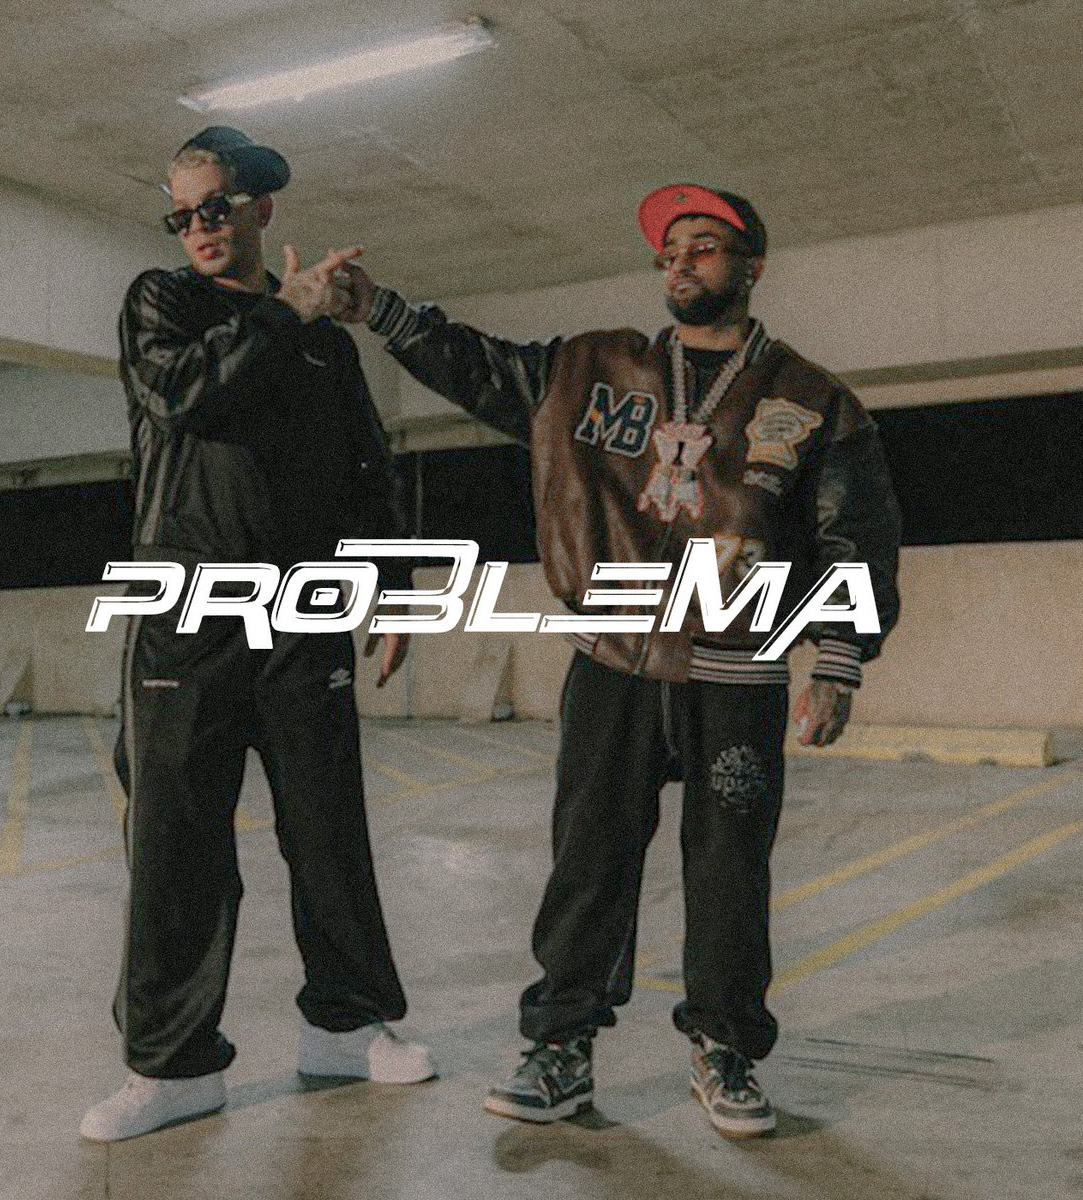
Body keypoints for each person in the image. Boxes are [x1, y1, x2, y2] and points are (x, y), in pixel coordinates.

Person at [338, 184, 901, 1138]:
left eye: (704, 246)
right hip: (612, 658)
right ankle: (561, 1047)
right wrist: (380, 311)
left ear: (752, 265)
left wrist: (840, 657)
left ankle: (725, 1049)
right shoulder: (593, 369)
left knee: (730, 873)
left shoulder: (809, 397)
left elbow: (856, 530)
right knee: (588, 863)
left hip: (738, 669)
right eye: (670, 250)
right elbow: (481, 368)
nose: (681, 262)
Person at [80, 126, 433, 1143]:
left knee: (327, 830)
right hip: (187, 611)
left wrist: (392, 584)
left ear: (260, 208)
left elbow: (365, 466)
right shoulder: (162, 302)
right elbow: (182, 394)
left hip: (301, 612)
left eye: (213, 208)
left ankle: (346, 1026)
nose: (196, 227)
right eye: (180, 214)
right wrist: (285, 311)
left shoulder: (325, 343)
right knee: (177, 845)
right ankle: (171, 1065)